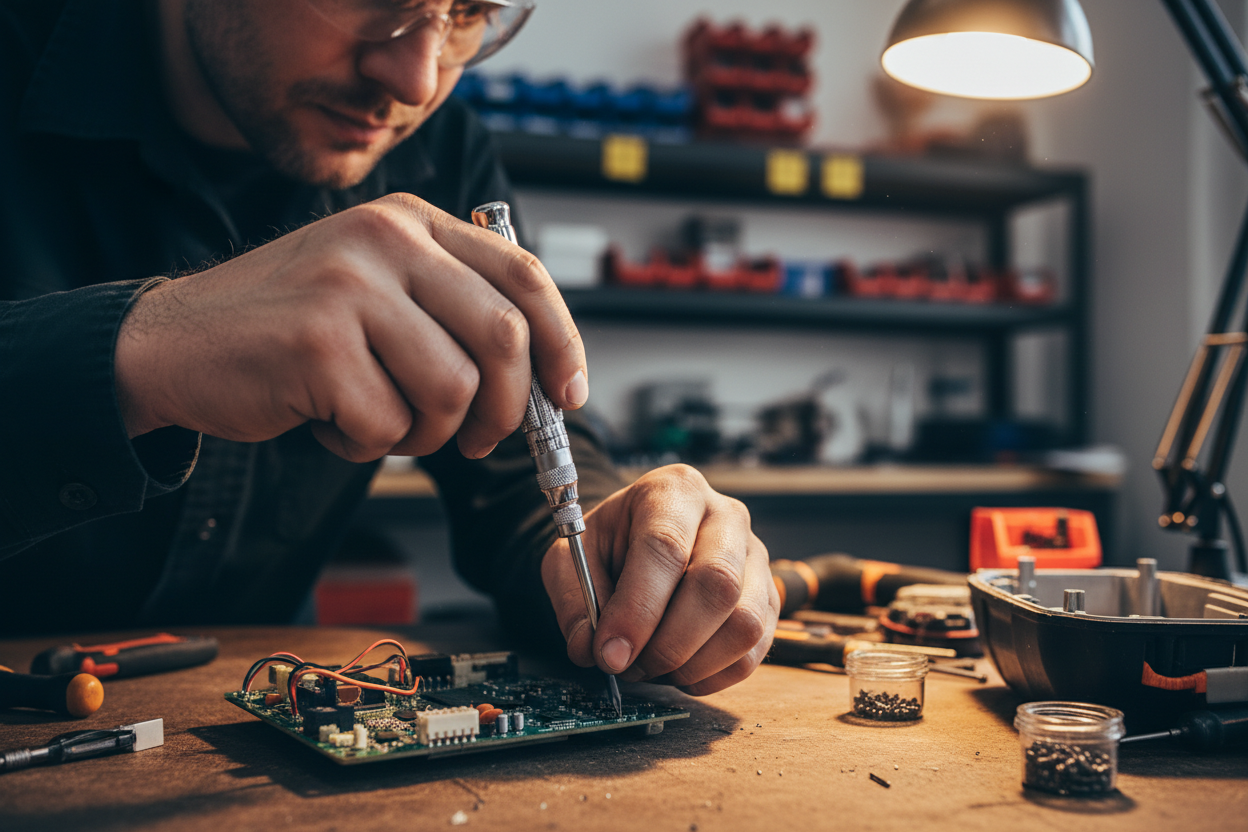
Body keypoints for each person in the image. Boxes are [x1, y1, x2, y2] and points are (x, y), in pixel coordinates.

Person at [0, 0, 778, 696]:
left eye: (471, 11)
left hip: (263, 736)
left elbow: (517, 459)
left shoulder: (443, 149)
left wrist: (628, 545)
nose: (416, 79)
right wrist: (147, 355)